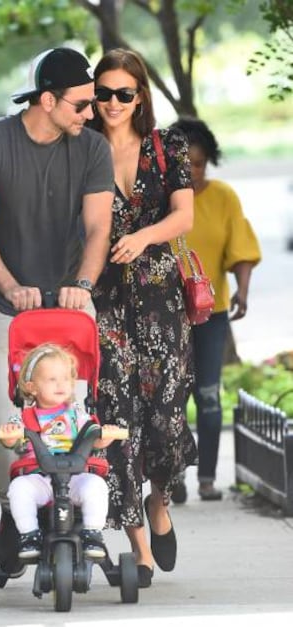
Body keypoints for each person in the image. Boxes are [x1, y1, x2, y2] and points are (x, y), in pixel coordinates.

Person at [0, 47, 115, 575]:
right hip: (4, 302)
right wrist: (11, 285)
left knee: (79, 409)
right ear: (47, 100)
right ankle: (13, 505)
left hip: (71, 298)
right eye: (80, 104)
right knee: (3, 417)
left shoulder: (92, 149)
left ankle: (76, 512)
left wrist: (83, 282)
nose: (90, 113)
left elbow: (98, 228)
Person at [88, 48, 198, 588]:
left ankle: (159, 502)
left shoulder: (165, 146)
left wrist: (142, 236)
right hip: (105, 304)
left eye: (123, 93)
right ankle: (137, 545)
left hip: (160, 301)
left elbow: (184, 213)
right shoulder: (81, 148)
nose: (111, 103)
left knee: (166, 416)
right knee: (116, 418)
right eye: (103, 92)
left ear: (141, 96)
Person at [169, 117, 262, 502]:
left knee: (208, 395)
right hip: (166, 314)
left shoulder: (224, 197)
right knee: (170, 397)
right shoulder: (163, 197)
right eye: (185, 163)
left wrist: (242, 289)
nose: (192, 170)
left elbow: (240, 247)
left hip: (211, 313)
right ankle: (172, 477)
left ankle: (206, 477)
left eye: (199, 163)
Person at [0, 343, 119, 559]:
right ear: (32, 387)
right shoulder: (25, 418)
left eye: (65, 378)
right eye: (52, 379)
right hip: (40, 478)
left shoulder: (77, 415)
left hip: (75, 477)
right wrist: (10, 435)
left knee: (96, 486)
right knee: (18, 489)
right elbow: (11, 441)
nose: (60, 384)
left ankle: (92, 533)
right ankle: (29, 534)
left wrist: (105, 436)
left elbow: (93, 437)